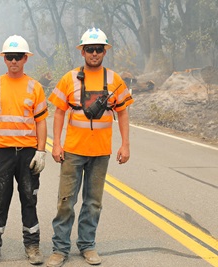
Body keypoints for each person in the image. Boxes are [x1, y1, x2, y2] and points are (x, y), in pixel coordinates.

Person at [46, 28, 134, 267]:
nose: (94, 53)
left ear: (104, 51)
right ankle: (60, 248)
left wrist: (125, 145)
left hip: (100, 152)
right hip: (73, 151)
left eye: (98, 49)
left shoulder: (113, 79)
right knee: (65, 200)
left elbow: (123, 113)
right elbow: (59, 113)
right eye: (90, 49)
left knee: (93, 202)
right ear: (82, 51)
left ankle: (87, 245)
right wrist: (56, 145)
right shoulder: (70, 78)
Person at [0, 35, 49, 266]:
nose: (14, 60)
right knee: (0, 200)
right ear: (4, 59)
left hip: (27, 153)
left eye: (18, 57)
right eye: (9, 57)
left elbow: (41, 122)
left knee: (29, 199)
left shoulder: (34, 87)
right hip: (2, 154)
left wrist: (41, 151)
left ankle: (32, 246)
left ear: (25, 58)